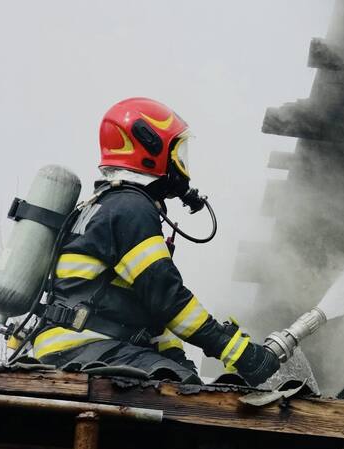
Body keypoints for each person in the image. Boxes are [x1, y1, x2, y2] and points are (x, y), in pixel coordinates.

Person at [31, 97, 280, 386]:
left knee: (187, 387)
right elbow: (167, 297)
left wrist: (184, 368)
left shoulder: (105, 205)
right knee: (190, 409)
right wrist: (237, 350)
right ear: (149, 145)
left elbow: (152, 312)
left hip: (80, 348)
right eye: (177, 150)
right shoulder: (131, 209)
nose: (181, 163)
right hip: (86, 349)